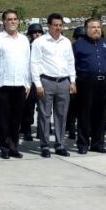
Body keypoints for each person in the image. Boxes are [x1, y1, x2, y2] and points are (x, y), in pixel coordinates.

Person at [0, 9, 31, 159]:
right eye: (9, 19)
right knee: (3, 118)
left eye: (15, 19)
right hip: (2, 84)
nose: (12, 22)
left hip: (20, 84)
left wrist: (28, 83)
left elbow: (27, 63)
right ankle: (4, 147)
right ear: (4, 22)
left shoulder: (24, 39)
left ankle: (14, 147)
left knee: (16, 118)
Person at [30, 13, 76, 158]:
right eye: (55, 25)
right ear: (48, 26)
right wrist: (37, 84)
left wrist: (73, 81)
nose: (58, 28)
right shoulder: (40, 42)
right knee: (44, 114)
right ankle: (44, 145)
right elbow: (35, 63)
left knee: (61, 115)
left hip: (63, 81)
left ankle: (60, 145)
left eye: (60, 25)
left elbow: (70, 62)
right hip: (46, 81)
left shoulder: (66, 42)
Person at [73, 18, 106, 154]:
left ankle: (98, 143)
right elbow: (72, 63)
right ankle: (83, 143)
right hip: (86, 82)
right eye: (93, 27)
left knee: (101, 114)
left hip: (103, 82)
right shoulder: (78, 44)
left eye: (98, 27)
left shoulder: (105, 43)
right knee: (85, 113)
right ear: (86, 29)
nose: (96, 29)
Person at [21, 23, 44, 141]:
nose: (37, 34)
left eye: (39, 32)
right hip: (30, 80)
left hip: (43, 79)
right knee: (28, 107)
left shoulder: (46, 46)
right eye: (34, 32)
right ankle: (27, 130)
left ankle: (42, 130)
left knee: (43, 107)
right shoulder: (27, 47)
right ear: (30, 34)